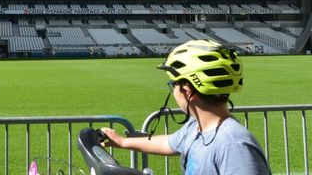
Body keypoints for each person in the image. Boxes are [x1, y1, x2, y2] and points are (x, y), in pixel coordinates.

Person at [100, 39, 271, 175]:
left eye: (173, 84)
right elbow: (170, 143)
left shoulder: (234, 145)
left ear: (187, 91)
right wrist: (122, 141)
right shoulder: (196, 127)